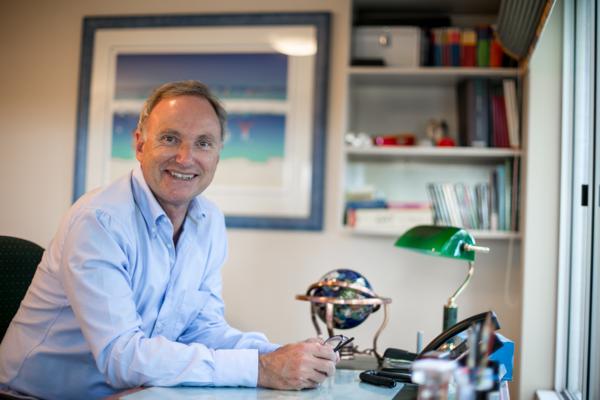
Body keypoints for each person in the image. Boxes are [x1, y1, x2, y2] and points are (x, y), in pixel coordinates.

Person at [0, 80, 337, 399]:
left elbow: (202, 329)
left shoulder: (208, 221)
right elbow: (121, 357)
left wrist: (279, 354)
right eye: (170, 138)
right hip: (34, 396)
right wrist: (261, 368)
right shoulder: (99, 221)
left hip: (136, 392)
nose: (186, 158)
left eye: (203, 143)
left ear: (217, 155)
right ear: (140, 144)